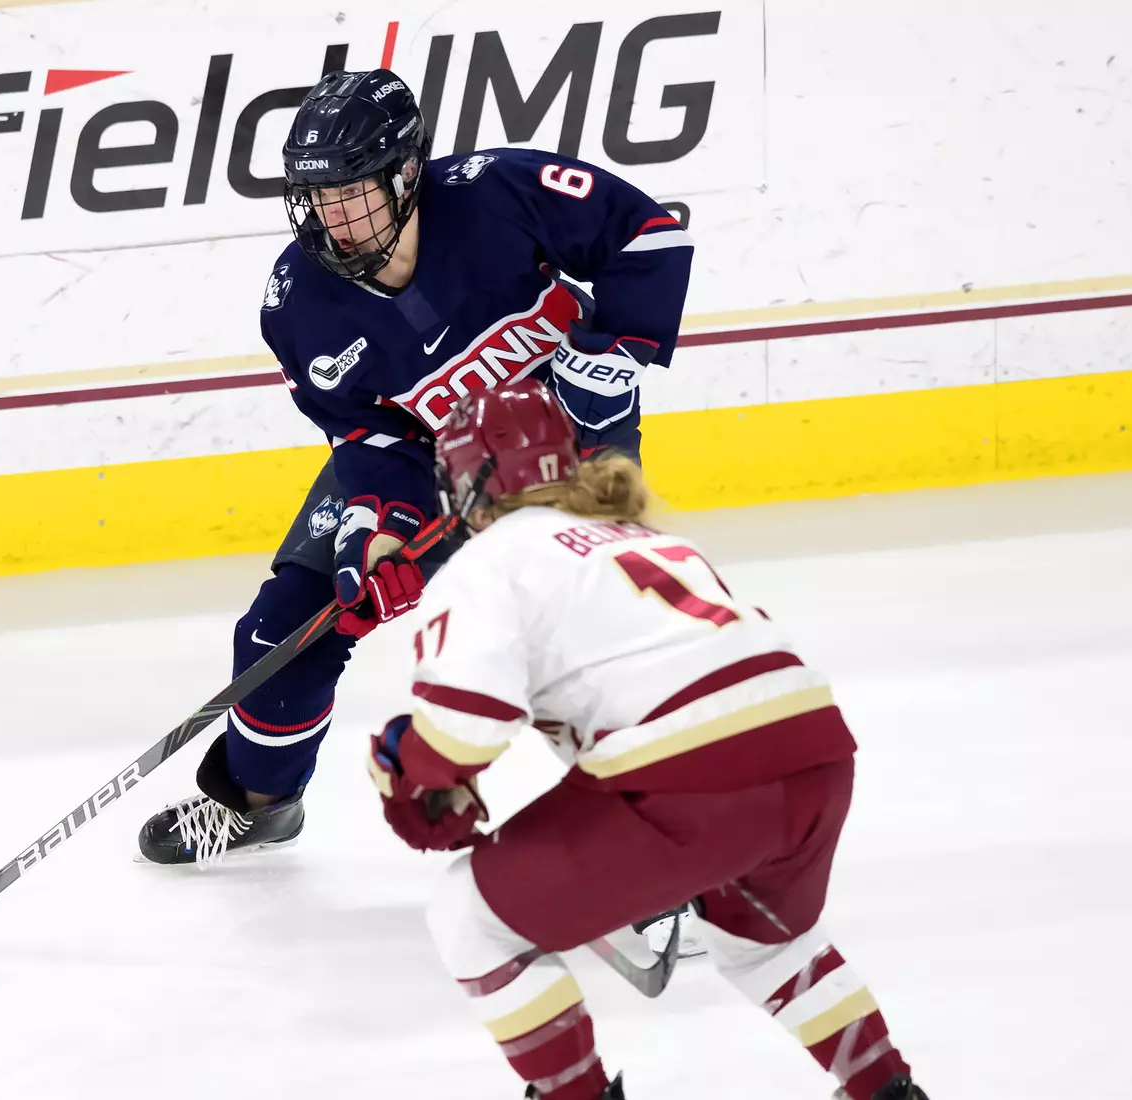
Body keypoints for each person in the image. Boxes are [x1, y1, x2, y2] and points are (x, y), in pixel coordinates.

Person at [137, 67, 694, 865]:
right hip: (434, 462)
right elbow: (368, 435)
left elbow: (647, 233)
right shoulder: (298, 302)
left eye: (348, 191)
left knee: (585, 641)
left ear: (405, 174)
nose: (330, 216)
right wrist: (383, 528)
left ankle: (670, 826)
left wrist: (612, 355)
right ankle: (260, 804)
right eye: (315, 196)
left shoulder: (499, 191)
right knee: (286, 623)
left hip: (563, 453)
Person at [366, 380, 928, 1100]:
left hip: (690, 778)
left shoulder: (489, 559)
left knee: (468, 918)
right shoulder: (644, 538)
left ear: (468, 481)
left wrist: (410, 769)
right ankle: (887, 1091)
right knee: (771, 947)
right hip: (814, 754)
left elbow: (467, 724)